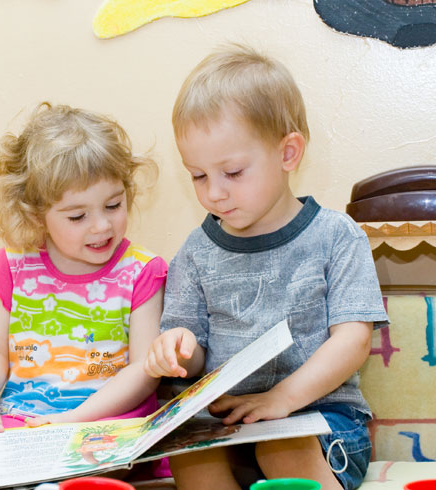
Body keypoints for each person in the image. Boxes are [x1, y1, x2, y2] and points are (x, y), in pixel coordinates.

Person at [143, 43, 388, 490]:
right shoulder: (195, 253)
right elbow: (194, 355)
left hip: (319, 419)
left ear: (288, 153)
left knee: (281, 448)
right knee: (189, 458)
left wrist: (283, 399)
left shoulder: (337, 236)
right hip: (227, 423)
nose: (214, 193)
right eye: (198, 175)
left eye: (232, 172)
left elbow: (353, 341)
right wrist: (178, 347)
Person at [0, 102, 167, 438]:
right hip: (25, 423)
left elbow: (145, 368)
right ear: (36, 215)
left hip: (108, 422)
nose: (101, 226)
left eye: (113, 205)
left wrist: (75, 419)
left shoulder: (141, 272)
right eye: (77, 216)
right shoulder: (14, 267)